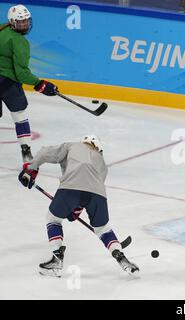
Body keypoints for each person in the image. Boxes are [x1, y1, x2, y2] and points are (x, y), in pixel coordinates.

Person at [18, 135, 139, 277]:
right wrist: (77, 208)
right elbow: (89, 188)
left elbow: (44, 153)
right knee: (103, 228)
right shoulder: (102, 163)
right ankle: (120, 256)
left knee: (53, 219)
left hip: (70, 188)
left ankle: (57, 259)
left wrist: (30, 169)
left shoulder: (72, 146)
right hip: (98, 195)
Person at [0, 4, 58, 162]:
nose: (25, 24)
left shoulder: (2, 30)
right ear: (13, 22)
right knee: (20, 115)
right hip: (7, 83)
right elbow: (22, 73)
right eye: (21, 22)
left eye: (26, 21)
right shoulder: (20, 42)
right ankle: (26, 152)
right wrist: (41, 84)